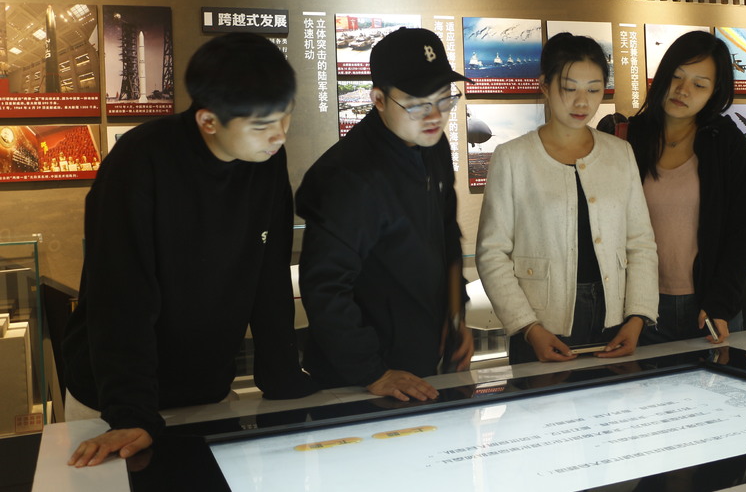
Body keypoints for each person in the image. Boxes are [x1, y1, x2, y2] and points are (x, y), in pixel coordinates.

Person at [63, 32, 316, 468]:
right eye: (261, 125)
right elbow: (120, 295)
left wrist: (283, 380)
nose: (278, 135)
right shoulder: (139, 162)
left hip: (207, 391)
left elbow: (269, 273)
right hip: (112, 403)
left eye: (285, 116)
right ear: (208, 121)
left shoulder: (265, 160)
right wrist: (130, 411)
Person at [296, 27, 473, 402]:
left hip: (425, 362)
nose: (435, 116)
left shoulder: (433, 147)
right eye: (417, 104)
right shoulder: (349, 175)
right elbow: (325, 286)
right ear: (378, 99)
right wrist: (371, 371)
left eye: (444, 99)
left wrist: (457, 317)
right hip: (362, 381)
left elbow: (447, 233)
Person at [476, 33, 658, 364]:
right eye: (569, 88)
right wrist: (528, 327)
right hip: (543, 323)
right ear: (545, 86)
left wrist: (638, 317)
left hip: (615, 318)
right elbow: (492, 253)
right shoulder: (513, 157)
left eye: (593, 89)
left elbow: (641, 243)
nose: (582, 102)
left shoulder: (620, 153)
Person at [626, 30, 746, 345]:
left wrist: (720, 302)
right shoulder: (631, 138)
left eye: (699, 85)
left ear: (714, 92)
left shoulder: (726, 143)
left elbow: (742, 231)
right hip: (642, 308)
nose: (683, 90)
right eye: (677, 76)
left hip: (711, 307)